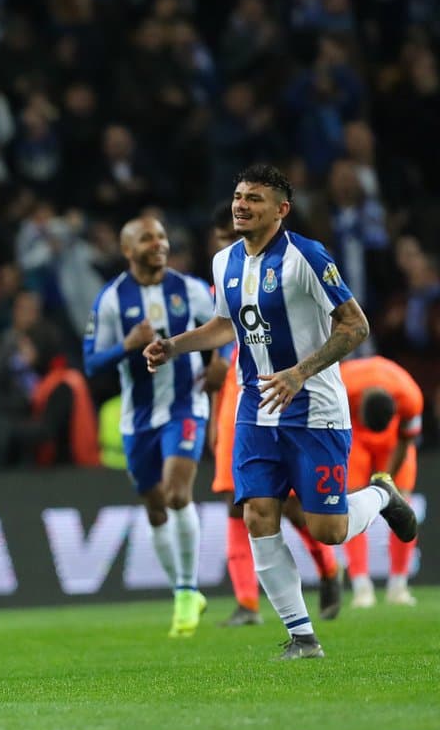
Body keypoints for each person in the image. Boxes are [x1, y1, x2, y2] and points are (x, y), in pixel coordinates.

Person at [144, 164, 418, 660]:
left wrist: (299, 372)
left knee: (327, 531)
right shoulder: (224, 261)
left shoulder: (306, 258)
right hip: (255, 407)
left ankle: (380, 493)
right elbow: (226, 327)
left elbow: (355, 326)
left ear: (281, 210)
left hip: (313, 408)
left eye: (254, 198)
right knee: (258, 513)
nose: (241, 205)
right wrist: (176, 345)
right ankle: (302, 636)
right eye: (238, 196)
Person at [204, 203, 342, 628]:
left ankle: (328, 568)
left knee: (298, 509)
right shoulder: (222, 274)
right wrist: (213, 413)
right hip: (239, 399)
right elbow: (220, 343)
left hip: (287, 389)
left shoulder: (290, 266)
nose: (230, 245)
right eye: (223, 239)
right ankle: (248, 603)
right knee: (239, 501)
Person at [84, 217, 216, 637]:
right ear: (128, 250)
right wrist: (126, 346)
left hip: (185, 406)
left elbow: (228, 327)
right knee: (156, 505)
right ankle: (183, 590)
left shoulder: (189, 289)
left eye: (162, 235)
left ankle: (185, 591)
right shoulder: (110, 301)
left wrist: (221, 363)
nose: (159, 243)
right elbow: (90, 362)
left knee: (178, 494)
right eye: (148, 238)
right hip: (138, 419)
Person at [337, 356, 424, 608]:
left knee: (403, 502)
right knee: (349, 505)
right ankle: (362, 587)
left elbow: (406, 440)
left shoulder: (411, 397)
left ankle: (399, 586)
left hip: (392, 440)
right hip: (352, 433)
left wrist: (387, 483)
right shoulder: (341, 385)